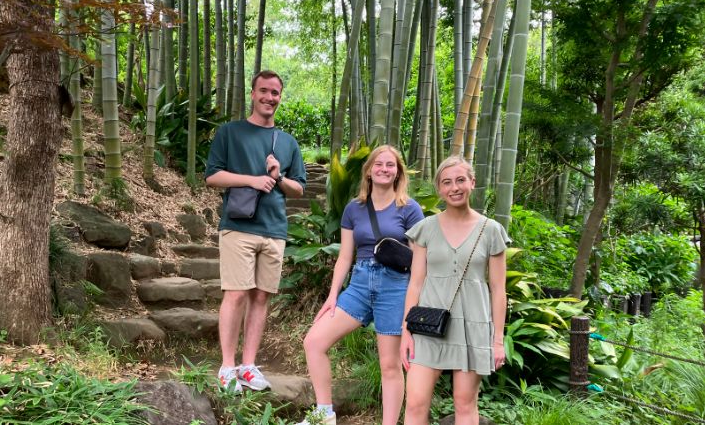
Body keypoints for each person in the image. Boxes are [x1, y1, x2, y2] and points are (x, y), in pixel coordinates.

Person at [297, 145, 425, 425]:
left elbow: (420, 262)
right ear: (368, 170)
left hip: (394, 287)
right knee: (314, 342)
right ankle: (324, 413)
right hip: (359, 285)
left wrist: (413, 306)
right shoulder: (353, 209)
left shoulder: (410, 209)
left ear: (398, 172)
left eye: (390, 165)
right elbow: (344, 257)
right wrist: (332, 296)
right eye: (378, 164)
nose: (384, 169)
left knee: (390, 365)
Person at [205, 70, 306, 392]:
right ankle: (227, 366)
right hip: (239, 225)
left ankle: (248, 365)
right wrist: (251, 179)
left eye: (275, 93)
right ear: (252, 93)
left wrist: (277, 176)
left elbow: (298, 190)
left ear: (280, 97)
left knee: (261, 297)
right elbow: (212, 176)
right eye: (264, 91)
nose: (269, 98)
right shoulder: (230, 133)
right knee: (235, 294)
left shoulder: (288, 142)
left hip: (275, 228)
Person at [400, 156, 509, 425]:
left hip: (472, 327)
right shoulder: (425, 229)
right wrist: (406, 332)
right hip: (428, 325)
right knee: (414, 402)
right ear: (439, 189)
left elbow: (498, 290)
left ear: (472, 182)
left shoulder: (491, 230)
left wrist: (497, 340)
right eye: (446, 182)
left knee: (464, 403)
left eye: (460, 180)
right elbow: (415, 282)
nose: (454, 187)